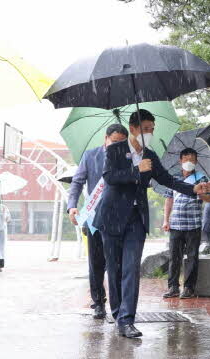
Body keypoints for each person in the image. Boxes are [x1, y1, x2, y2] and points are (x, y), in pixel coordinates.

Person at [92, 109, 210, 338]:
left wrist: (193, 189)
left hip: (137, 220)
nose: (150, 133)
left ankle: (127, 320)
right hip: (112, 218)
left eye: (152, 130)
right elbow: (109, 177)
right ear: (133, 128)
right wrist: (136, 170)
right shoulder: (115, 150)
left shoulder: (151, 155)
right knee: (115, 269)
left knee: (130, 268)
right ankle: (117, 314)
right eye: (146, 129)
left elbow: (167, 180)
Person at [67, 123, 129, 320]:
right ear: (105, 138)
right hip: (93, 218)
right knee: (96, 264)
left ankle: (118, 305)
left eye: (122, 142)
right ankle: (98, 302)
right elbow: (77, 182)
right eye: (114, 142)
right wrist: (72, 206)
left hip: (117, 219)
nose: (117, 146)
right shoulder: (90, 156)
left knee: (116, 264)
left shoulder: (128, 158)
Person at [162, 148, 210, 299]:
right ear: (180, 161)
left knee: (192, 256)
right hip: (176, 224)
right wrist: (166, 219)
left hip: (193, 224)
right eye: (186, 160)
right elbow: (168, 199)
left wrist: (202, 193)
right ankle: (173, 287)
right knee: (174, 257)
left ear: (196, 162)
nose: (188, 163)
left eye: (192, 160)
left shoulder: (202, 178)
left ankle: (189, 288)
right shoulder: (174, 178)